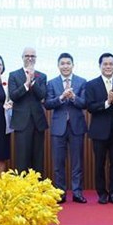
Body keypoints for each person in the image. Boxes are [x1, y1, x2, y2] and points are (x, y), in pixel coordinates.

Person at [44, 53, 88, 204]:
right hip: (58, 127)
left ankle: (77, 193)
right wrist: (62, 97)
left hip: (76, 126)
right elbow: (47, 104)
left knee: (77, 162)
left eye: (68, 63)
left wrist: (73, 97)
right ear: (58, 66)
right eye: (62, 63)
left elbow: (84, 103)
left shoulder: (82, 82)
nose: (65, 66)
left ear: (73, 65)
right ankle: (60, 193)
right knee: (58, 163)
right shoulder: (52, 83)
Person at [85, 53, 113, 205]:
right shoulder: (91, 84)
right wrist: (107, 102)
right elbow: (90, 107)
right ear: (100, 66)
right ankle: (102, 194)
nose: (108, 66)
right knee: (99, 164)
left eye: (111, 64)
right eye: (105, 64)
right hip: (99, 131)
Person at [8, 47, 48, 174]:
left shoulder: (42, 76)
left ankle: (37, 185)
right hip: (21, 122)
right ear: (22, 57)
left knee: (38, 159)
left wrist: (33, 82)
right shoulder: (14, 75)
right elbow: (13, 96)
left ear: (36, 58)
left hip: (38, 122)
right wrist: (26, 84)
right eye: (27, 56)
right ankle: (22, 185)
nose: (30, 58)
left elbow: (42, 95)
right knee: (22, 159)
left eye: (32, 56)